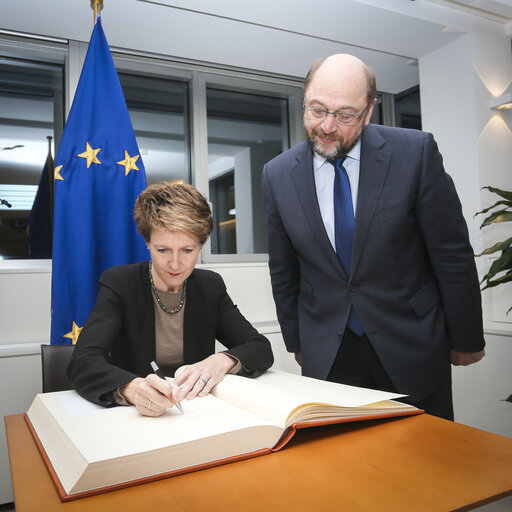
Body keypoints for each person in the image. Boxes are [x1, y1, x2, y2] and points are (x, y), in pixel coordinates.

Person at [261, 53, 485, 420]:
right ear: (304, 97)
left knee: (431, 464)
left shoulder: (415, 152)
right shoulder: (277, 173)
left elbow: (451, 253)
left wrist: (466, 338)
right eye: (317, 110)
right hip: (330, 355)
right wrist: (299, 343)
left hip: (412, 343)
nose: (328, 126)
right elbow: (283, 269)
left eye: (345, 114)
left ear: (369, 111)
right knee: (345, 469)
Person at [68, 182, 273, 417]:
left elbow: (260, 348)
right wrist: (132, 389)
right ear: (148, 243)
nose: (175, 264)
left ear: (201, 246)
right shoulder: (120, 283)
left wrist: (221, 360)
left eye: (187, 250)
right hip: (133, 418)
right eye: (163, 250)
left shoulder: (210, 286)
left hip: (197, 414)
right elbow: (82, 361)